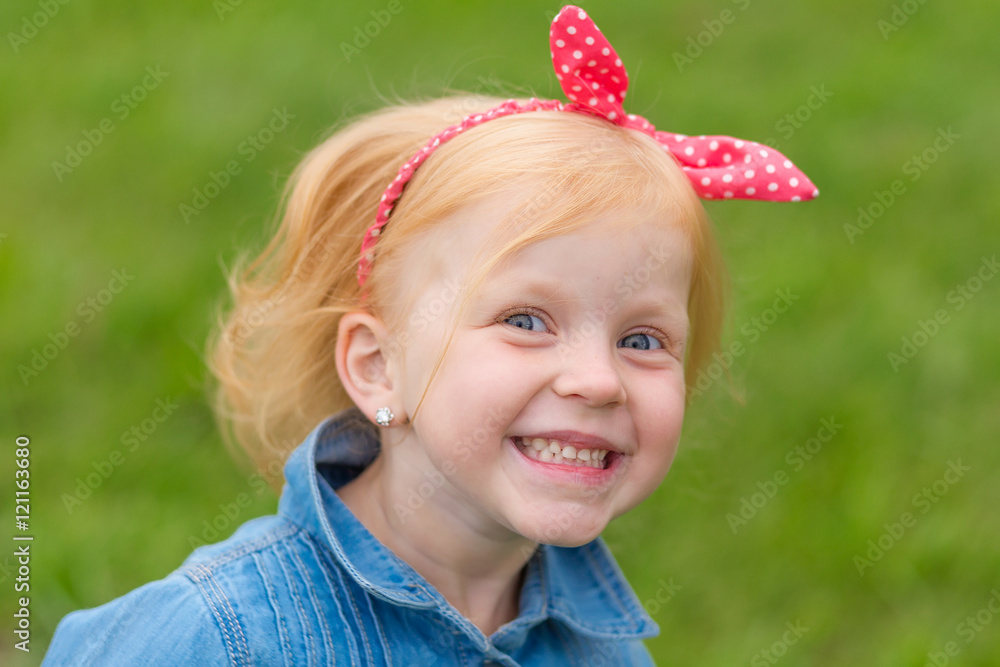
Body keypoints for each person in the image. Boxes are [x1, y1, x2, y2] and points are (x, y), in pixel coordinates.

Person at [43, 5, 816, 665]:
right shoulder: (223, 635)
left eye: (642, 339)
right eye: (525, 321)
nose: (598, 379)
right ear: (379, 367)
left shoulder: (605, 648)